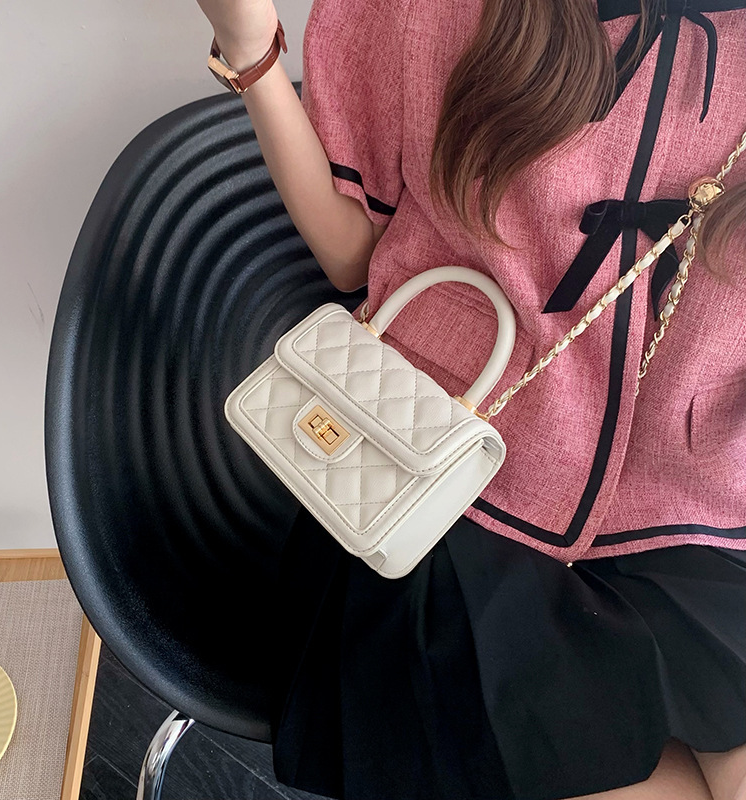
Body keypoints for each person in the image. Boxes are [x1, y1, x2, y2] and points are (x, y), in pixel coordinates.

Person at [197, 0, 746, 797]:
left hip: (687, 516)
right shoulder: (442, 11)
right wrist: (250, 49)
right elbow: (351, 253)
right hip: (443, 489)